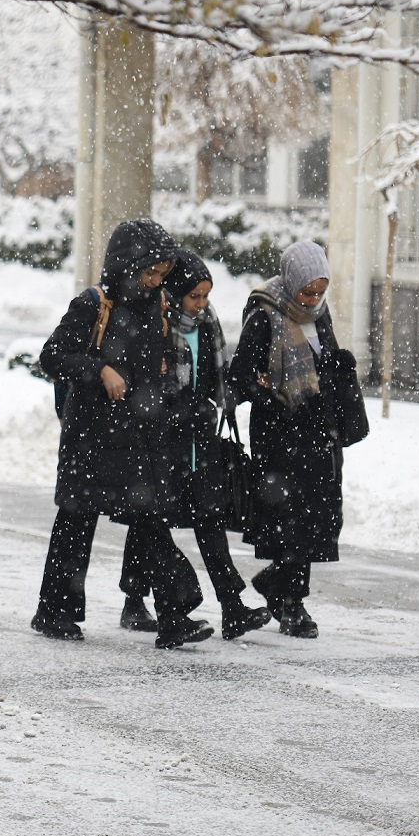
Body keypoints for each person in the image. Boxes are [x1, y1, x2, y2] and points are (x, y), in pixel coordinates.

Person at [33, 219, 212, 650]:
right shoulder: (94, 304)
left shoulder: (155, 306)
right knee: (76, 522)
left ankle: (174, 616)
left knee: (151, 522)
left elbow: (151, 366)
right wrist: (100, 369)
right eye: (149, 271)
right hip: (91, 438)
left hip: (135, 437)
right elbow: (52, 357)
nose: (155, 281)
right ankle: (54, 612)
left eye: (162, 273)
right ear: (126, 264)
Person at [119, 251, 271, 640]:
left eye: (206, 295)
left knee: (210, 518)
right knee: (152, 521)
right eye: (194, 296)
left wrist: (240, 390)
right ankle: (135, 600)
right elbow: (144, 383)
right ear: (175, 292)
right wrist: (171, 407)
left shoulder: (207, 325)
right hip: (163, 441)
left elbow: (215, 381)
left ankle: (232, 607)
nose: (201, 303)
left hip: (200, 441)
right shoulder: (156, 323)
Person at [227, 240, 350, 638]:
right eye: (307, 291)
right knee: (289, 521)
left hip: (317, 431)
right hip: (279, 435)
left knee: (315, 518)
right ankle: (292, 603)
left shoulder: (319, 315)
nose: (313, 299)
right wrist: (272, 397)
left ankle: (277, 585)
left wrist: (339, 370)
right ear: (293, 281)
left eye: (320, 291)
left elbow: (324, 363)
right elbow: (240, 376)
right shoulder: (265, 314)